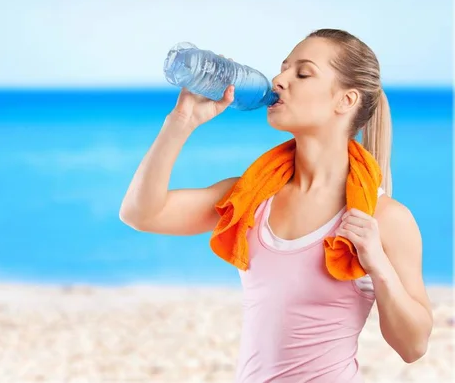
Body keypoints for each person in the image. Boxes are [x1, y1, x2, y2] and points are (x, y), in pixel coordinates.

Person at [119, 28, 433, 382]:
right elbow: (139, 213)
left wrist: (378, 265)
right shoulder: (251, 197)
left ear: (345, 101)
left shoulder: (382, 218)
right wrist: (180, 123)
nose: (279, 79)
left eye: (302, 73)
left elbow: (414, 346)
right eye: (283, 68)